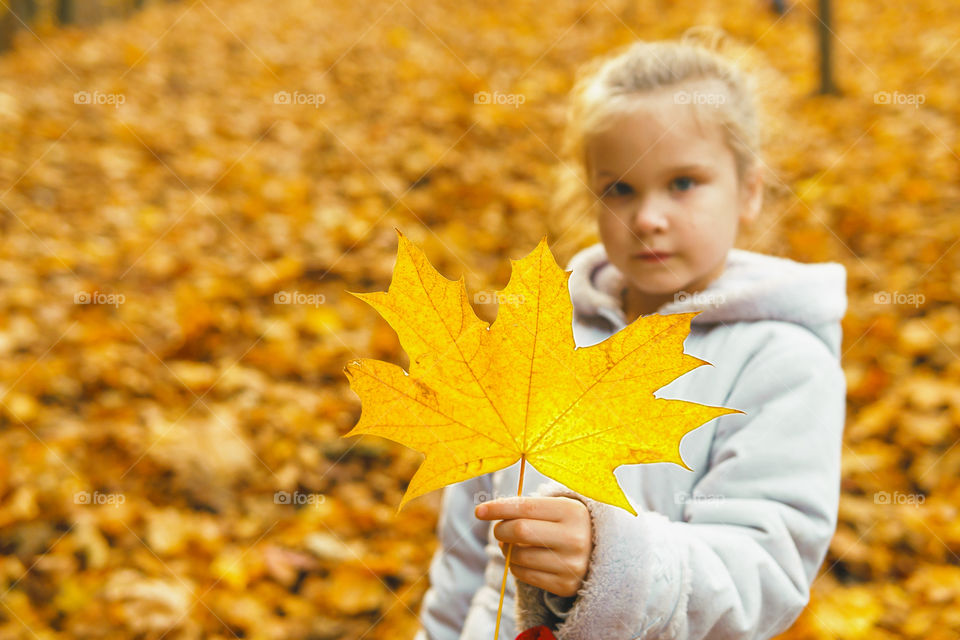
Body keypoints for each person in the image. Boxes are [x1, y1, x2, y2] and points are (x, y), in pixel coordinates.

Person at [413, 27, 847, 640]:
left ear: (749, 191)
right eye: (619, 188)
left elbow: (764, 571)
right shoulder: (539, 338)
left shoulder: (783, 362)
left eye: (683, 183)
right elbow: (463, 549)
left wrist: (611, 562)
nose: (647, 217)